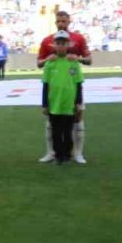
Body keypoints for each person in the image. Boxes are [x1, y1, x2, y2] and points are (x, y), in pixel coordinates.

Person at [37, 11, 91, 164]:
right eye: (58, 21)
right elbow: (39, 63)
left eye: (64, 21)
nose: (61, 23)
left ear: (69, 21)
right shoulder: (47, 40)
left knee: (77, 120)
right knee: (52, 125)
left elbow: (89, 60)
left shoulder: (78, 38)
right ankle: (52, 153)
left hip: (71, 88)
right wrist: (48, 59)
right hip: (54, 94)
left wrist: (78, 58)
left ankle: (77, 154)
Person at [41, 31, 85, 164]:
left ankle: (67, 155)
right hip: (54, 104)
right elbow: (45, 85)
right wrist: (44, 104)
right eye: (58, 43)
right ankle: (58, 155)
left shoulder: (73, 63)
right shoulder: (50, 63)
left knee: (67, 131)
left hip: (68, 104)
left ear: (68, 45)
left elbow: (78, 84)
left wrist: (78, 102)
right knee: (55, 132)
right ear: (54, 45)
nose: (61, 46)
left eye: (63, 43)